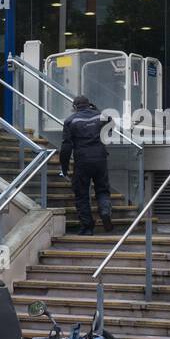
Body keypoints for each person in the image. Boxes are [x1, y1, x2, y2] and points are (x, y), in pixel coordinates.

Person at [60, 94, 113, 235]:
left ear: (75, 107)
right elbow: (110, 125)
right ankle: (105, 210)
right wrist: (97, 110)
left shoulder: (70, 121)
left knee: (81, 194)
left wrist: (64, 168)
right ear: (89, 104)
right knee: (102, 190)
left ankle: (87, 227)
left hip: (82, 161)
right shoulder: (100, 116)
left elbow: (66, 147)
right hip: (100, 158)